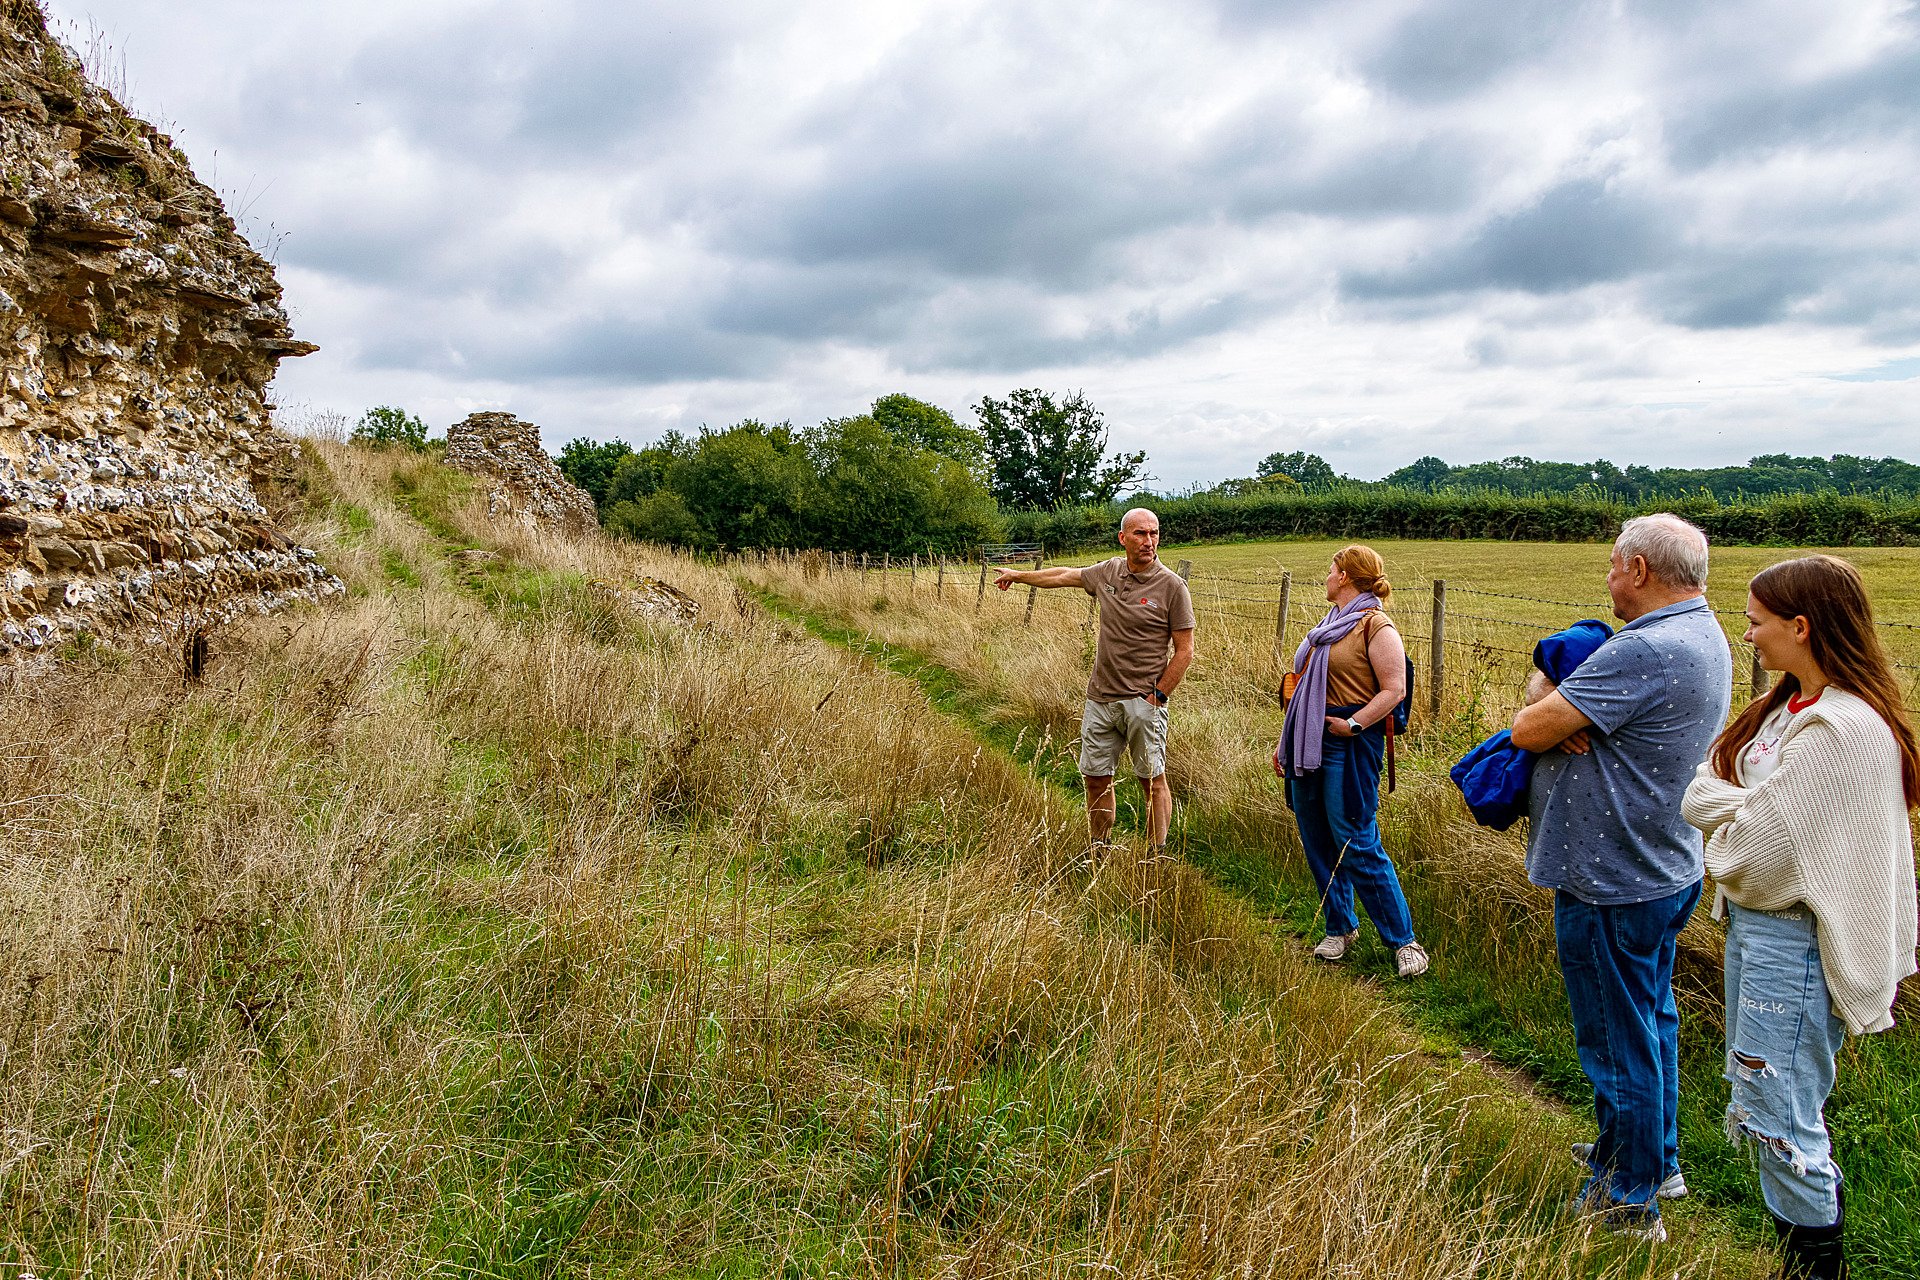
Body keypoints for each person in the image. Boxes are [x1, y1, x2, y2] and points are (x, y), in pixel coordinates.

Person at [1682, 556, 1918, 1280]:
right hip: (1761, 932)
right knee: (1767, 1099)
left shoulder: (1840, 729)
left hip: (1797, 942)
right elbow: (1703, 792)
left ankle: (1816, 1267)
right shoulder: (1788, 713)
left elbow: (1755, 850)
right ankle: (1805, 1254)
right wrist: (1754, 810)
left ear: (1800, 625)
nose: (1747, 635)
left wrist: (1747, 815)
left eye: (1756, 621)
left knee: (1778, 1113)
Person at [1510, 513, 1733, 1241]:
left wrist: (1549, 694)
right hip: (1661, 862)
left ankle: (1629, 1201)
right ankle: (1648, 1154)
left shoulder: (1643, 650)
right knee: (1651, 1019)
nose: (1607, 578)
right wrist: (1561, 712)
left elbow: (1525, 729)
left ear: (1639, 571)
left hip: (1613, 876)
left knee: (1615, 1039)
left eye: (1613, 564)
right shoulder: (1702, 632)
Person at [994, 508, 1195, 850]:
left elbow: (1185, 651)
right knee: (1096, 780)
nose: (1149, 541)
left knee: (1152, 781)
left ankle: (1154, 856)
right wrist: (1019, 574)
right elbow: (1063, 576)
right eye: (1140, 534)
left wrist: (1157, 698)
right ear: (1123, 538)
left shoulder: (1172, 587)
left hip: (1143, 702)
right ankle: (1098, 849)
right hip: (1100, 699)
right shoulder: (1109, 572)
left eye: (1154, 533)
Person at [1276, 545, 1428, 978]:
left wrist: (1355, 726)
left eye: (1330, 569)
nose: (1326, 576)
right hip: (1307, 739)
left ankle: (1404, 941)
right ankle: (1340, 928)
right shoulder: (1330, 624)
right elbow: (1303, 686)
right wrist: (1284, 741)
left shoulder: (1375, 626)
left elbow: (1394, 689)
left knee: (1355, 838)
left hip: (1348, 742)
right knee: (1317, 836)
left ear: (1344, 576)